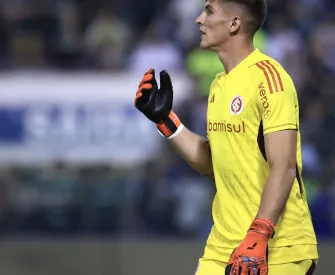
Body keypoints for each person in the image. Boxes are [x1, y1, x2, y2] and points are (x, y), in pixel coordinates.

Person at [134, 0, 318, 274]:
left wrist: (259, 234)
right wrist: (166, 122)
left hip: (278, 248)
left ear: (234, 24)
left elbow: (285, 166)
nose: (199, 19)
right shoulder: (219, 85)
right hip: (223, 247)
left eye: (209, 11)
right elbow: (215, 164)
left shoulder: (270, 78)